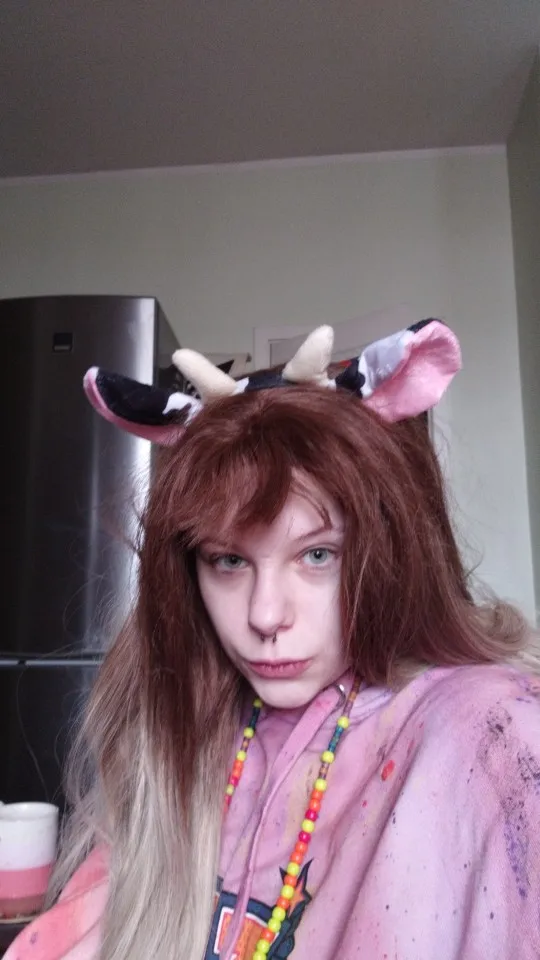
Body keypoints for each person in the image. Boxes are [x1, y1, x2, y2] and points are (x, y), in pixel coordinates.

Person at [7, 319, 540, 960]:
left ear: (392, 552)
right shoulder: (181, 726)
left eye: (317, 554)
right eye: (229, 561)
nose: (265, 616)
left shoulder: (488, 731)